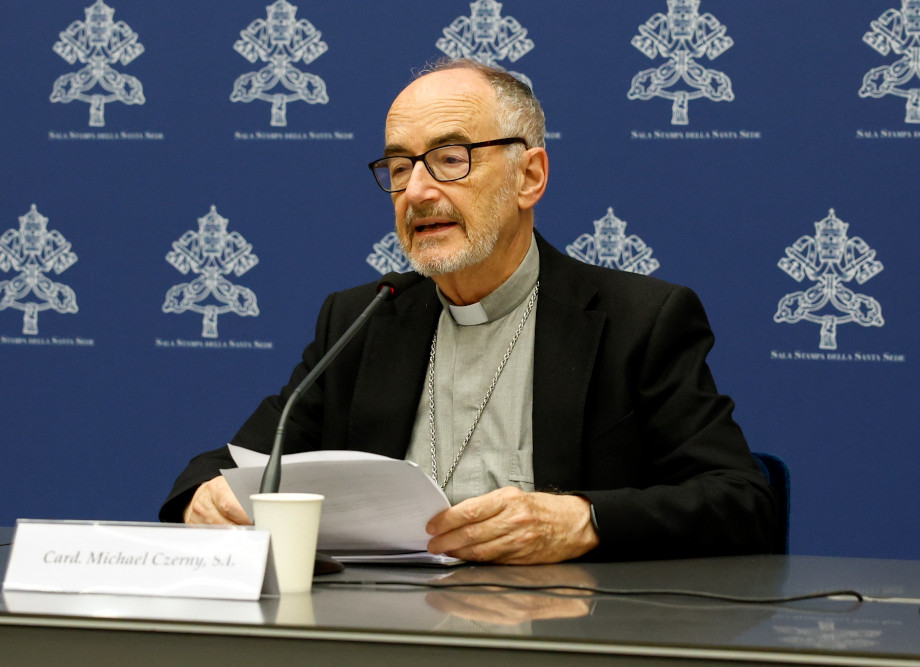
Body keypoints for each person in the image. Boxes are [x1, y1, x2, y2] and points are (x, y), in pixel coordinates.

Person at [160, 58, 776, 564]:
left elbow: (741, 500)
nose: (419, 191)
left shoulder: (637, 320)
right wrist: (205, 498)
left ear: (529, 177)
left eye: (451, 158)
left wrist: (585, 519)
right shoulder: (364, 318)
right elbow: (230, 465)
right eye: (400, 167)